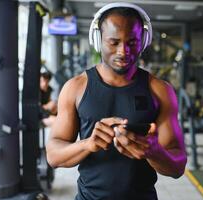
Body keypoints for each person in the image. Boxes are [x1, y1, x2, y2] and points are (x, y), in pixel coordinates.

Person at [46, 2, 187, 200]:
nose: (123, 51)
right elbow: (53, 155)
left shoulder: (160, 91)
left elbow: (178, 166)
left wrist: (153, 152)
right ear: (98, 40)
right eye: (114, 42)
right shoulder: (75, 88)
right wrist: (87, 144)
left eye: (132, 42)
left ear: (143, 41)